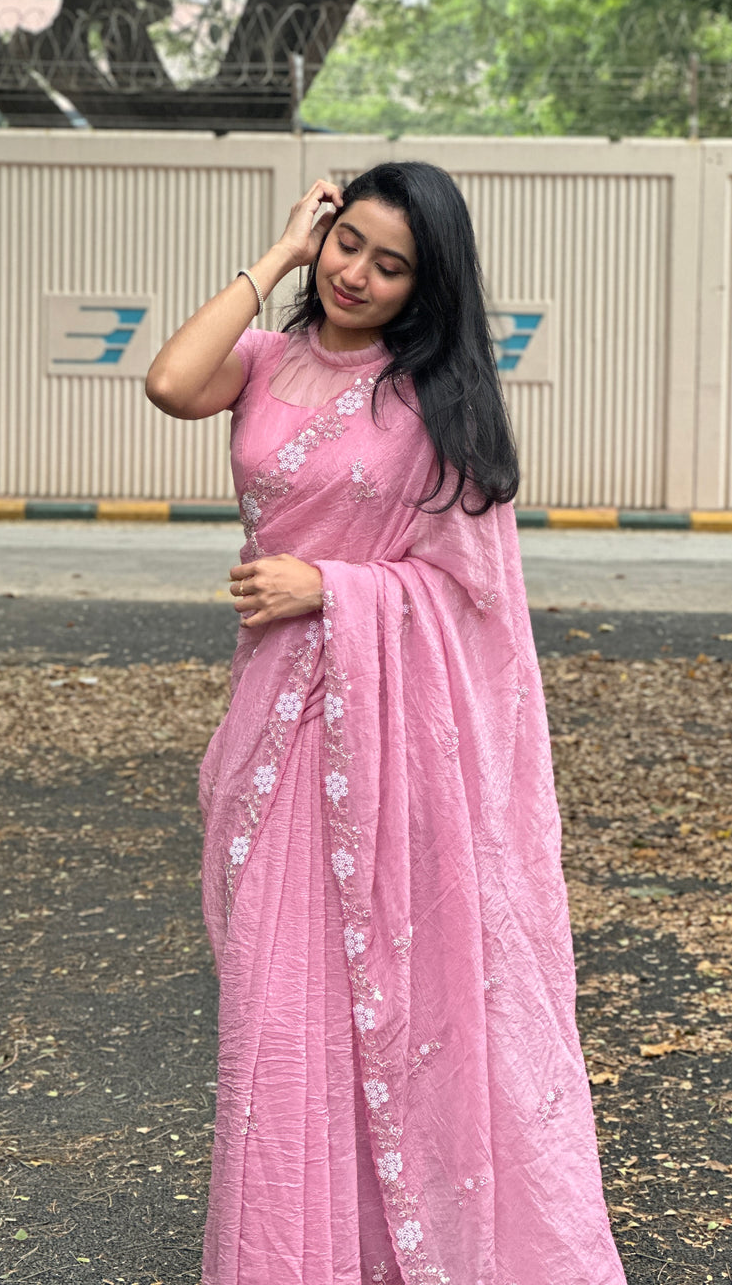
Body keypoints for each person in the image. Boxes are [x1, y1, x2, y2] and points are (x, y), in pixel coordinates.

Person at [145, 164, 626, 1285]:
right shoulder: (262, 360)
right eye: (346, 242)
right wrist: (278, 252)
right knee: (276, 1012)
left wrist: (334, 587)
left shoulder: (434, 408)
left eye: (391, 264)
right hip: (270, 727)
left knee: (374, 1000)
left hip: (389, 744)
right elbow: (170, 382)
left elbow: (475, 602)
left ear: (427, 286)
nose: (356, 273)